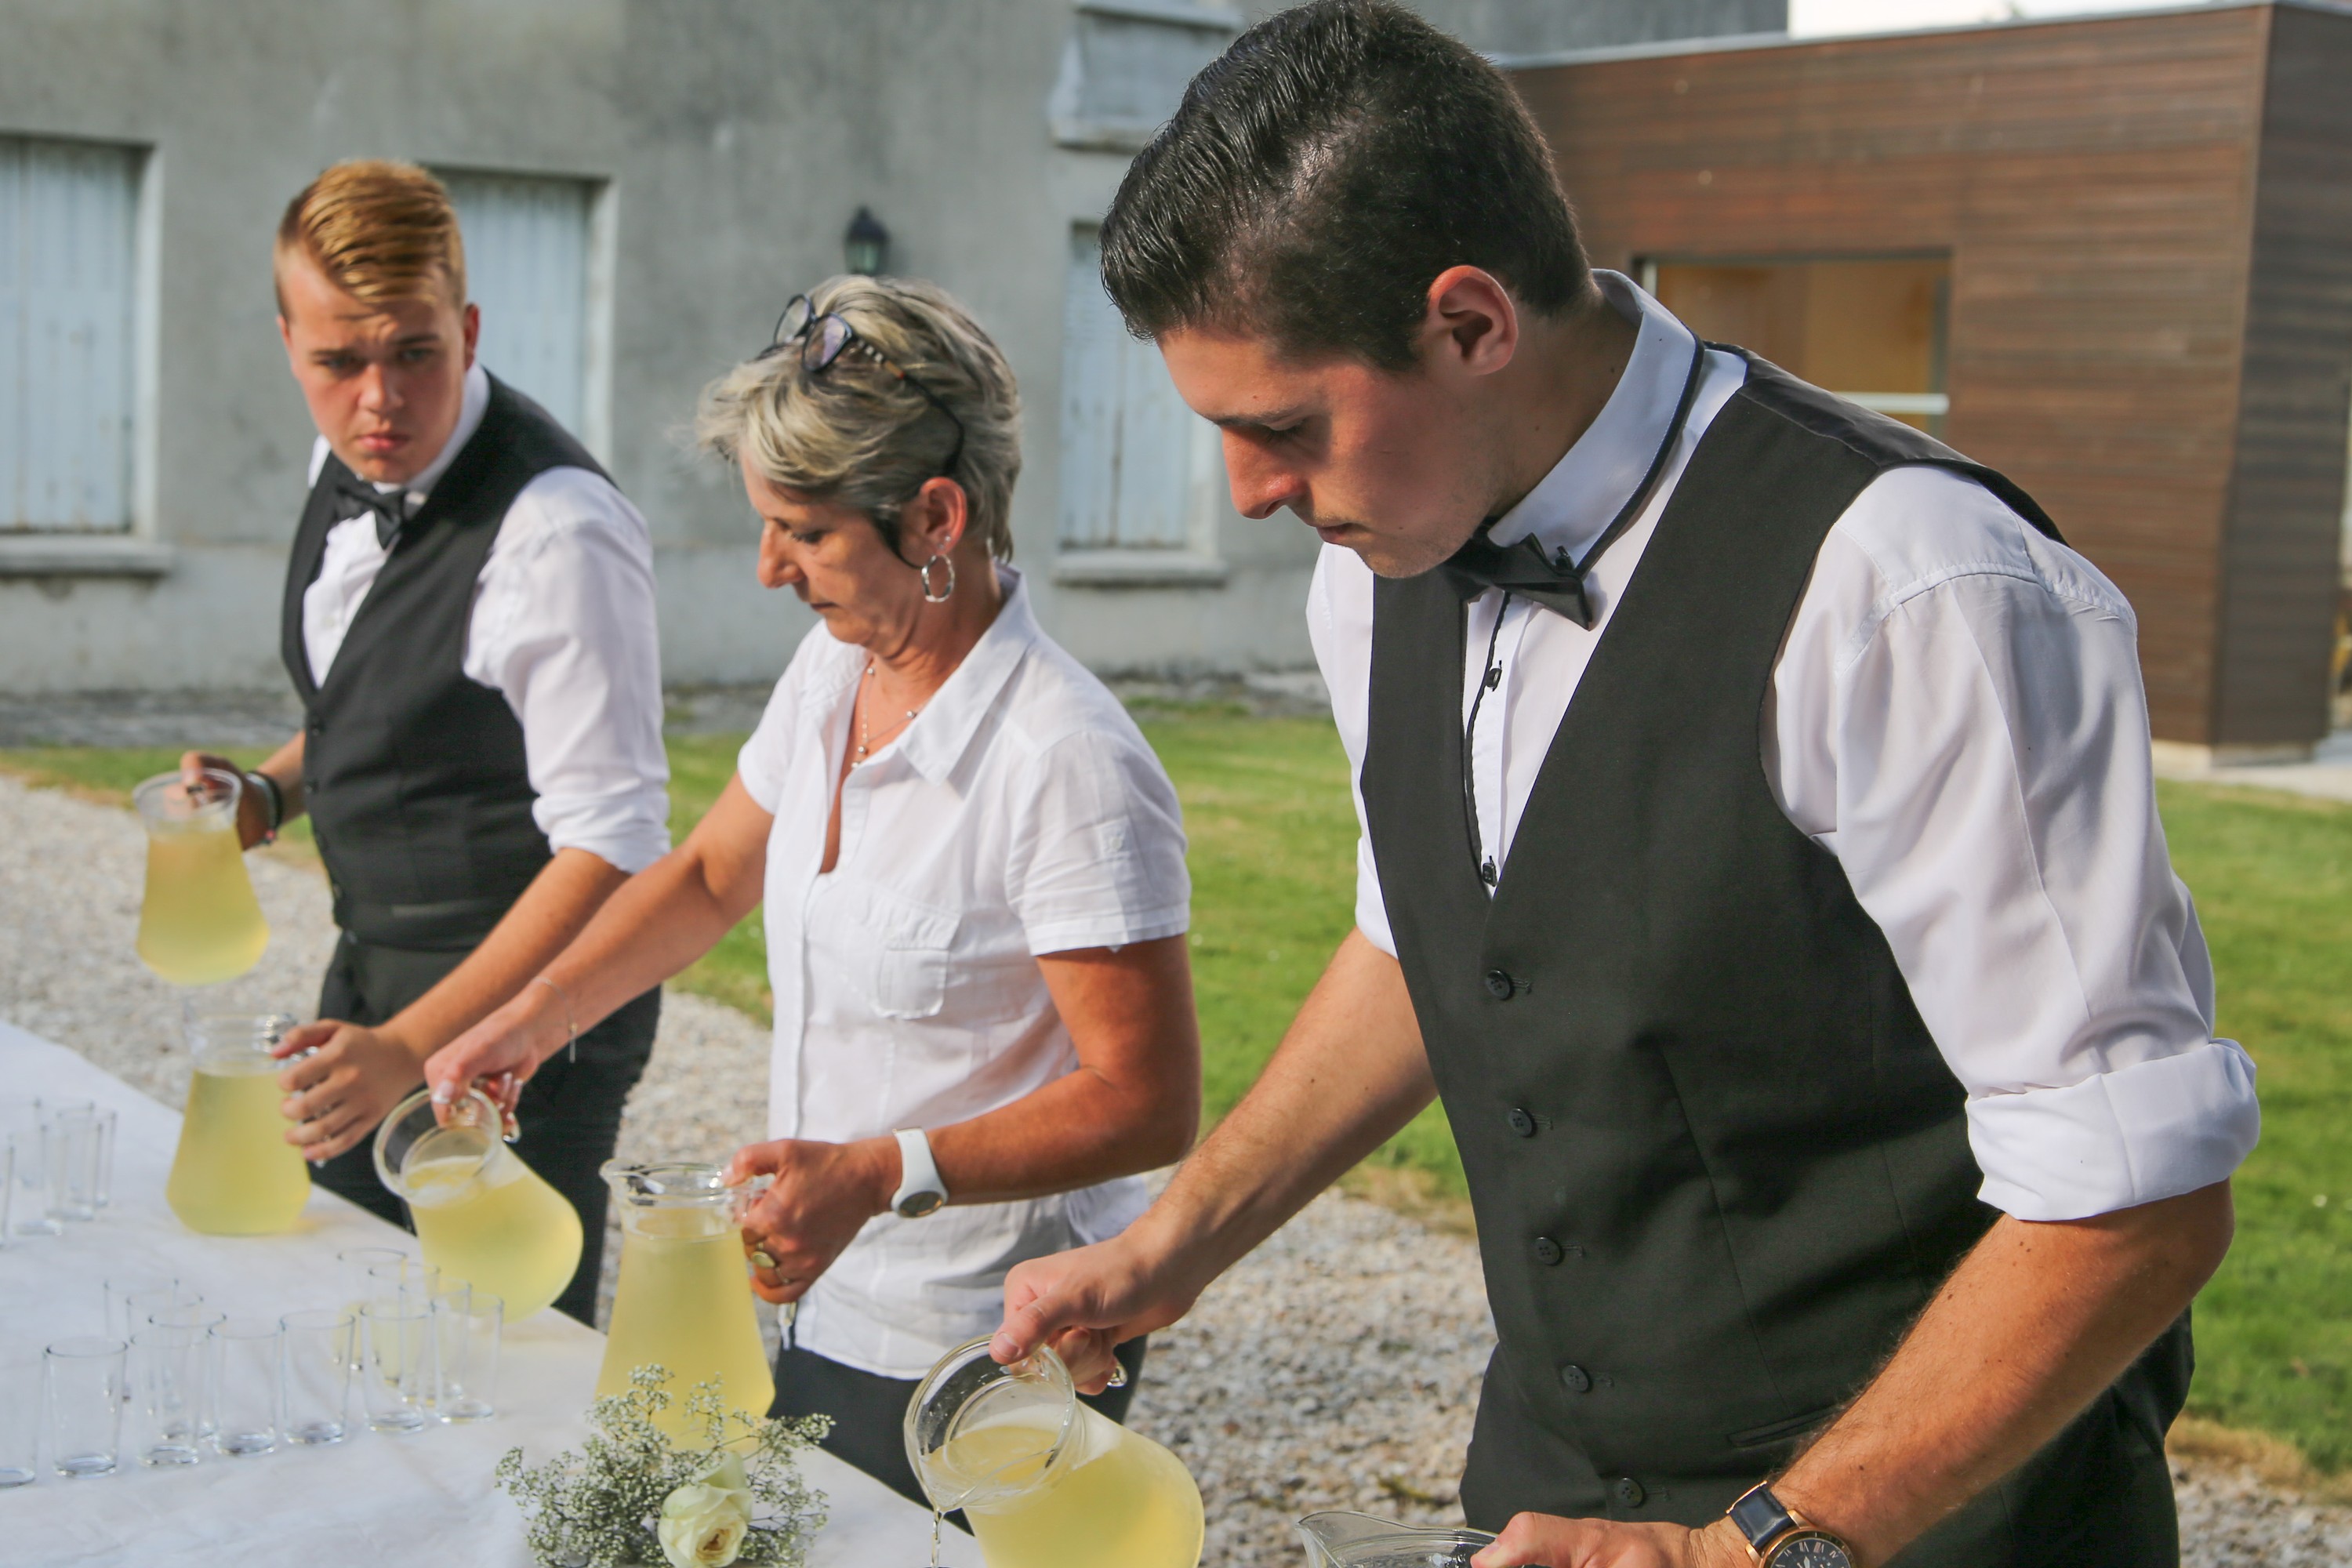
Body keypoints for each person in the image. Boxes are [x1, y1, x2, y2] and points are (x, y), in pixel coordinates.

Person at [988, 6, 2260, 1566]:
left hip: (1931, 1518)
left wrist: (1756, 1544)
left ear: (1468, 324)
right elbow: (1427, 943)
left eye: (1283, 427)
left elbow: (2137, 1199)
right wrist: (1172, 1245)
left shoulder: (1910, 587)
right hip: (1561, 1486)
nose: (1251, 493)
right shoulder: (1377, 562)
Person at [428, 275, 1200, 1506]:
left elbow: (1149, 1102)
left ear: (936, 516)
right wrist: (531, 1020)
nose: (767, 568)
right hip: (804, 1296)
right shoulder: (831, 671)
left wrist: (880, 1172)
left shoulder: (1071, 765)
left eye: (804, 530)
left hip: (979, 1340)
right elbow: (707, 874)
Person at [180, 160, 670, 1324]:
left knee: (502, 1352)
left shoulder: (559, 535)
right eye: (338, 363)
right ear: (289, 341)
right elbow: (369, 703)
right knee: (346, 1305)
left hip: (524, 1013)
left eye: (415, 353)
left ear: (470, 328)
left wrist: (413, 1046)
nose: (380, 402)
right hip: (379, 972)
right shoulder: (349, 463)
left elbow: (611, 849)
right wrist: (264, 793)